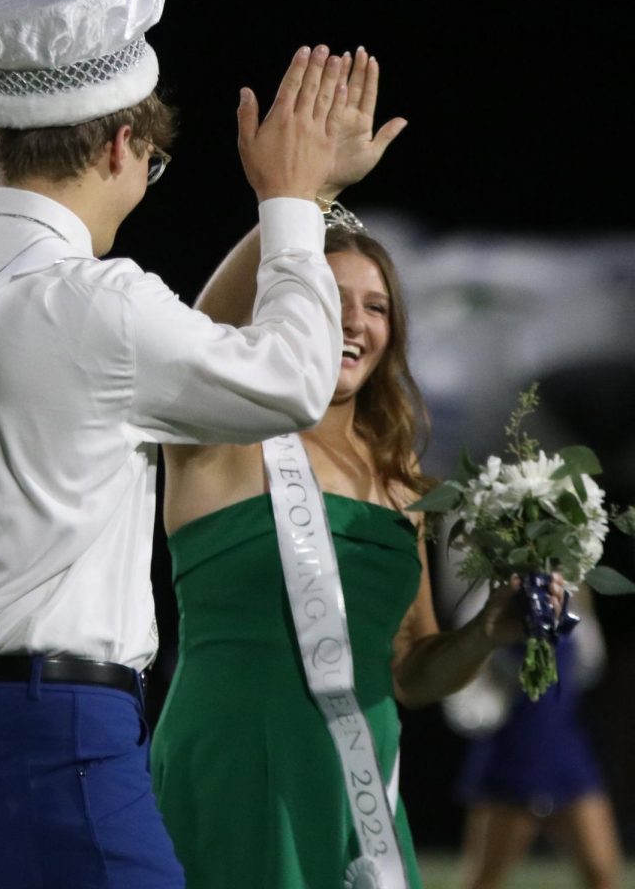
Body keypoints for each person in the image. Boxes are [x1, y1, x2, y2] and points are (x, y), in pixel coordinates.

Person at [0, 0, 353, 889]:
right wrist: (292, 201)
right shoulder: (96, 302)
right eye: (155, 163)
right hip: (51, 733)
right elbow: (295, 380)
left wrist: (310, 200)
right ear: (123, 143)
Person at [151, 48, 567, 889]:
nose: (354, 323)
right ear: (288, 307)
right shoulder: (222, 436)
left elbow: (413, 671)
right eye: (331, 300)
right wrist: (308, 195)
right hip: (233, 764)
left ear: (395, 333)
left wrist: (487, 631)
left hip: (357, 783)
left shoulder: (400, 476)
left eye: (375, 307)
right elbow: (202, 323)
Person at [444, 583, 624, 889]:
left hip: (564, 746)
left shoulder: (572, 596)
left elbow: (588, 666)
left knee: (602, 874)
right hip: (514, 748)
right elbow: (465, 665)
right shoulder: (488, 597)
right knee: (484, 880)